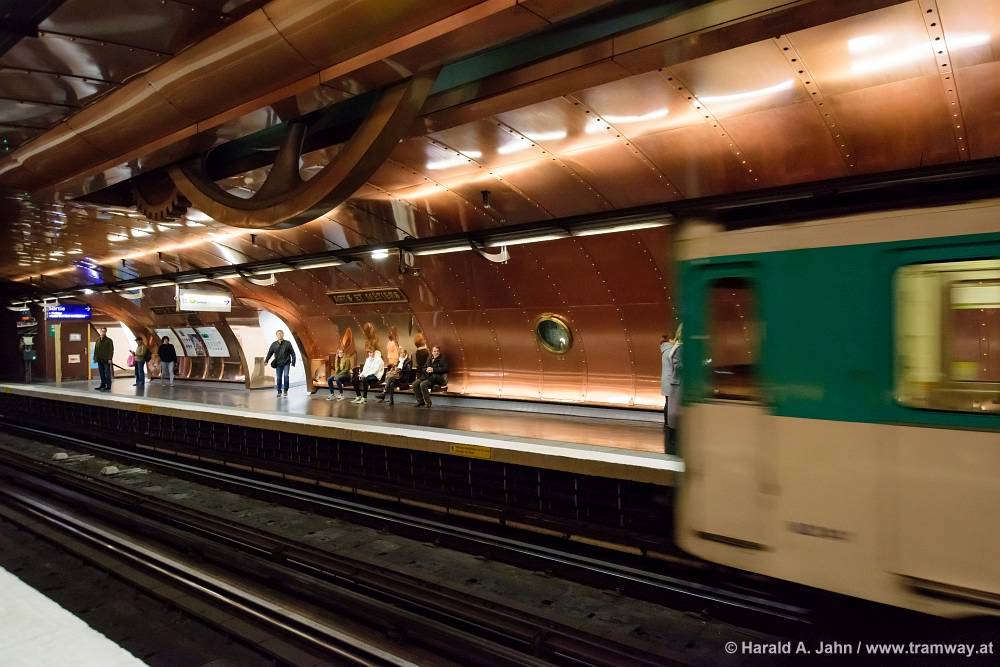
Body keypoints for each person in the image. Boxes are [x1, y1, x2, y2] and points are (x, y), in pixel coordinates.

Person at [661, 325, 682, 455]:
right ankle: (669, 428)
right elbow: (677, 366)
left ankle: (668, 426)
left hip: (668, 381)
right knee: (671, 407)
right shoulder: (673, 350)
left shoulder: (666, 349)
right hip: (672, 382)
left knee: (669, 405)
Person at [264, 329, 296, 397]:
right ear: (276, 335)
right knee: (279, 378)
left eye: (281, 334)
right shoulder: (274, 344)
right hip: (278, 363)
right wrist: (266, 360)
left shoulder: (288, 343)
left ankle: (285, 390)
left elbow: (292, 353)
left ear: (283, 334)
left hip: (286, 362)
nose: (279, 335)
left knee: (286, 376)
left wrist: (293, 362)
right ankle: (279, 391)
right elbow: (270, 353)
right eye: (278, 334)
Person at [93, 326, 114, 391]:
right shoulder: (97, 340)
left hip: (106, 360)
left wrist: (110, 358)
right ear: (100, 331)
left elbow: (111, 350)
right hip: (99, 359)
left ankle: (108, 386)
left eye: (104, 331)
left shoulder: (109, 340)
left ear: (106, 332)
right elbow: (96, 350)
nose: (103, 332)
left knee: (107, 373)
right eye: (102, 331)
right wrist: (95, 358)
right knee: (101, 373)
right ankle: (102, 385)